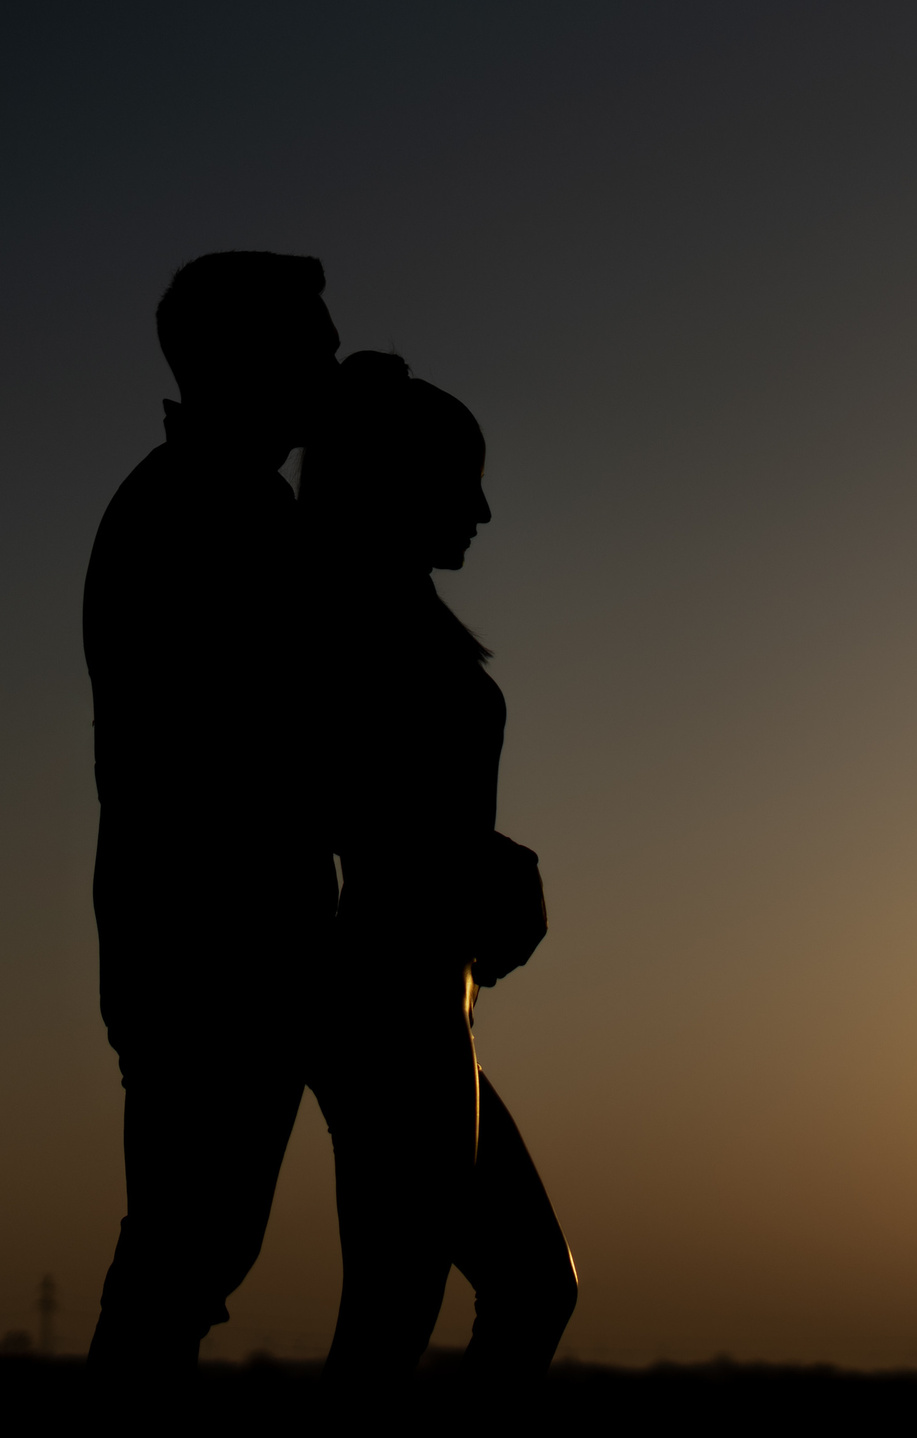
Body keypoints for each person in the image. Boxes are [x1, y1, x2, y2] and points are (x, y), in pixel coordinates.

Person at [82, 252, 342, 1375]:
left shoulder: (238, 502)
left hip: (223, 941)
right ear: (250, 363)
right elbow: (284, 734)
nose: (332, 360)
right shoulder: (200, 514)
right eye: (314, 344)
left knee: (191, 1252)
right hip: (210, 947)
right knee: (187, 1254)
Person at [302, 350, 578, 1382]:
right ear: (392, 486)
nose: (483, 510)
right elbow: (343, 805)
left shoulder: (390, 622)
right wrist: (482, 868)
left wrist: (489, 867)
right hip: (388, 996)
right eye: (460, 479)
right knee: (399, 1307)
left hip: (427, 995)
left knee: (517, 1287)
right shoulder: (344, 627)